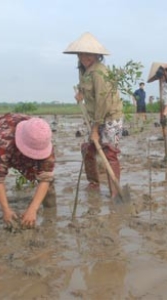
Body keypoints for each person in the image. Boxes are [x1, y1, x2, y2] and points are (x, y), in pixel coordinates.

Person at [63, 32, 124, 198]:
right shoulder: (84, 70)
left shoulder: (99, 73)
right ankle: (94, 183)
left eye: (88, 54)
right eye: (81, 54)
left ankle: (115, 193)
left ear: (97, 55)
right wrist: (80, 93)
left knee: (110, 153)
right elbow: (85, 88)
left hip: (110, 118)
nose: (84, 57)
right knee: (88, 150)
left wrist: (96, 129)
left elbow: (103, 102)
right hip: (94, 118)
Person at [0, 113, 56, 228]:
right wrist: (6, 210)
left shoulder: (43, 140)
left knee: (48, 179)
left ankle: (51, 216)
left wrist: (33, 209)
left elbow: (45, 177)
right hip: (1, 135)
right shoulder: (3, 142)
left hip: (27, 137)